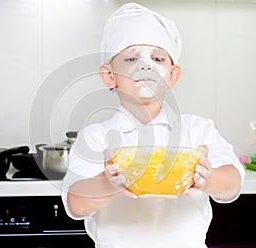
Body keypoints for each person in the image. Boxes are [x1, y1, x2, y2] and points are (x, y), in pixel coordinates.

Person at [61, 2, 245, 248]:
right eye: (130, 58)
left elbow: (232, 185)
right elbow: (76, 203)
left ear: (172, 75)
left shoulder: (197, 130)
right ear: (109, 76)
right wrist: (108, 180)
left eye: (157, 58)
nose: (145, 65)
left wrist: (207, 178)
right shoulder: (97, 138)